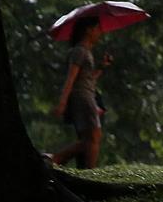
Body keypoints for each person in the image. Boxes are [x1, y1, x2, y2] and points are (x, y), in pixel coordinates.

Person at [47, 16, 113, 169]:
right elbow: (71, 79)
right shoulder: (79, 51)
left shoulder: (86, 53)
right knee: (93, 138)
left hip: (86, 95)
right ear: (88, 30)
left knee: (88, 139)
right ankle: (55, 158)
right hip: (82, 98)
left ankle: (86, 170)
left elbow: (88, 80)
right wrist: (62, 103)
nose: (100, 33)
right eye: (97, 29)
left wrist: (102, 67)